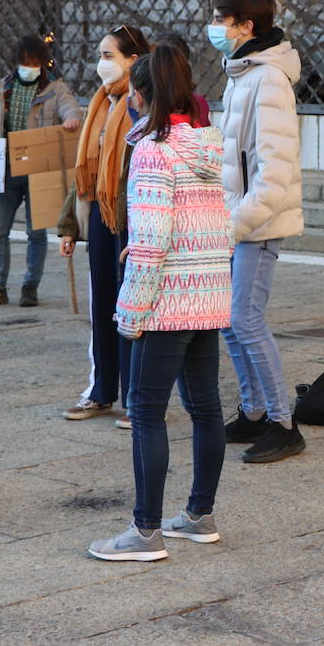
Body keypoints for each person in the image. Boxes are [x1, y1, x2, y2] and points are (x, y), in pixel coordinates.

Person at [88, 47, 231, 562]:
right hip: (208, 295)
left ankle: (145, 531)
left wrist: (130, 312)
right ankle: (198, 515)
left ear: (141, 95)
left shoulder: (152, 150)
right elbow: (217, 222)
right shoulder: (204, 145)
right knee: (205, 407)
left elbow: (150, 241)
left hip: (166, 301)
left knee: (146, 410)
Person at [210, 0, 306, 463]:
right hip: (237, 218)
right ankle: (252, 412)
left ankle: (283, 423)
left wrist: (237, 223)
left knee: (246, 320)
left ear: (246, 26)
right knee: (230, 320)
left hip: (257, 223)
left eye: (220, 20)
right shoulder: (242, 73)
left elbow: (275, 169)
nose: (215, 29)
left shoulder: (267, 78)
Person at [58, 25, 152, 422]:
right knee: (102, 303)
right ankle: (101, 389)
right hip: (100, 213)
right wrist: (69, 224)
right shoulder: (102, 102)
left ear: (133, 59)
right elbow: (88, 171)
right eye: (100, 55)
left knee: (132, 306)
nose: (101, 64)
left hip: (136, 216)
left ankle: (137, 396)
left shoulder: (144, 103)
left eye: (109, 55)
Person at [0, 35, 81, 307]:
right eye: (23, 62)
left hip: (38, 169)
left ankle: (30, 285)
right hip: (6, 167)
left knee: (36, 231)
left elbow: (72, 111)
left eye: (33, 63)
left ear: (42, 64)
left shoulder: (55, 89)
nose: (27, 67)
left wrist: (71, 121)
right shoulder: (3, 87)